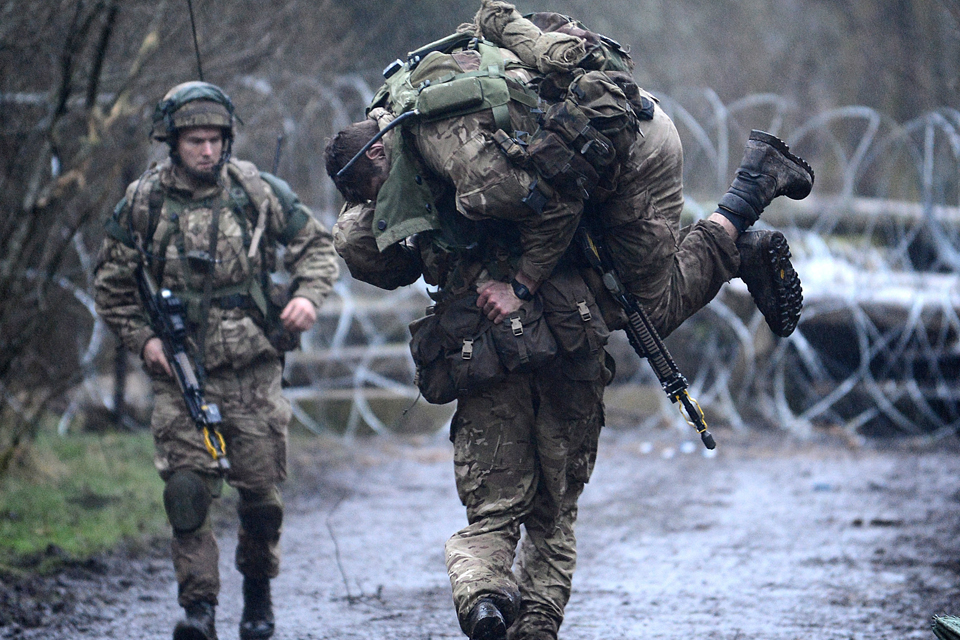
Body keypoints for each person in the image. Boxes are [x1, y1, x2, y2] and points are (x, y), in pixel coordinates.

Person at [323, 4, 813, 640]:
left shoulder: (470, 165)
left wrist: (523, 282)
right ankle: (506, 613)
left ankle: (740, 214)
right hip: (533, 307)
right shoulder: (412, 194)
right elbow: (392, 255)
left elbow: (556, 199)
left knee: (649, 305)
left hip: (627, 161)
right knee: (545, 507)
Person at [94, 81, 339, 640]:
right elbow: (111, 286)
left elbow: (317, 246)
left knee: (260, 502)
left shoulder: (255, 191)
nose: (205, 150)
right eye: (193, 140)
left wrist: (306, 296)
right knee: (186, 494)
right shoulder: (143, 203)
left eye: (214, 139)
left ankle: (257, 593)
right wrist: (143, 341)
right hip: (180, 374)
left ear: (227, 140)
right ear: (172, 142)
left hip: (253, 373)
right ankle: (199, 609)